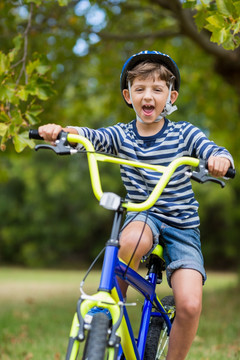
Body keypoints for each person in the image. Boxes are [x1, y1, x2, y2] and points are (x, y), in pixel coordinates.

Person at [38, 50, 234, 360]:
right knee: (129, 240)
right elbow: (92, 136)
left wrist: (219, 160)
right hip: (145, 214)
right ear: (128, 96)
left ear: (171, 96)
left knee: (190, 304)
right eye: (140, 89)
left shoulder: (184, 133)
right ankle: (110, 310)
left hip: (182, 225)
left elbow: (212, 148)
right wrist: (63, 132)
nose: (148, 96)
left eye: (157, 89)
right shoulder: (122, 134)